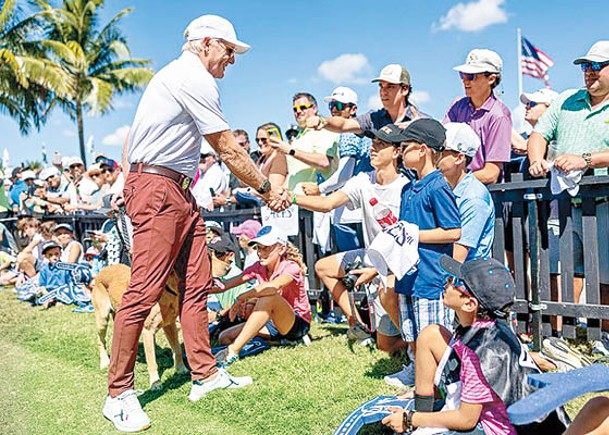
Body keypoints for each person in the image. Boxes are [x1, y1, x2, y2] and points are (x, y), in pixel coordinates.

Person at [103, 14, 289, 433]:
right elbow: (227, 148)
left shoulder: (181, 75)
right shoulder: (194, 77)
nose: (232, 59)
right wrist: (266, 189)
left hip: (175, 189)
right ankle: (118, 395)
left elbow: (135, 138)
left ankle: (204, 374)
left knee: (196, 282)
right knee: (144, 289)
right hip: (159, 188)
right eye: (228, 50)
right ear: (206, 44)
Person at [382, 256, 568, 435]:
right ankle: (423, 411)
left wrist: (411, 419)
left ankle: (416, 422)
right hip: (509, 413)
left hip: (497, 429)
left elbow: (466, 419)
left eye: (455, 281)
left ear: (470, 304)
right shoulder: (491, 328)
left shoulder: (479, 353)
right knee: (431, 334)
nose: (447, 282)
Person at [294, 124, 409, 352]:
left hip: (397, 265)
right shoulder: (362, 180)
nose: (374, 149)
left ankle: (415, 350)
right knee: (323, 267)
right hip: (371, 257)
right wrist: (291, 197)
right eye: (373, 143)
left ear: (397, 152)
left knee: (389, 345)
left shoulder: (406, 187)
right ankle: (357, 324)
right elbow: (327, 204)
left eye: (382, 144)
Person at [527, 40, 609, 352]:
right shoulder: (566, 100)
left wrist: (586, 159)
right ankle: (563, 337)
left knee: (605, 274)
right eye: (585, 66)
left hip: (603, 201)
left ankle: (604, 338)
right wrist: (536, 158)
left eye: (596, 66)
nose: (588, 73)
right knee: (564, 268)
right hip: (564, 200)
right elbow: (539, 134)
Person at [386, 119, 461, 388]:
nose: (400, 152)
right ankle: (417, 371)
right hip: (409, 275)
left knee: (433, 333)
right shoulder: (407, 188)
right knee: (412, 331)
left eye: (404, 146)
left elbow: (453, 231)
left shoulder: (438, 186)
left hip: (430, 277)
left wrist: (414, 235)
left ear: (423, 149)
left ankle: (442, 383)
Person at [213, 226, 311, 365]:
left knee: (268, 296)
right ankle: (279, 342)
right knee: (225, 337)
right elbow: (226, 284)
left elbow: (272, 287)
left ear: (281, 249)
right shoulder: (258, 267)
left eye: (266, 248)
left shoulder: (291, 266)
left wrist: (241, 298)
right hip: (273, 322)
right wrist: (199, 288)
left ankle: (233, 352)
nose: (260, 252)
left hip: (296, 323)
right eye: (258, 248)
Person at [301, 86, 373, 251]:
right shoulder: (364, 130)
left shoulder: (349, 133)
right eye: (331, 105)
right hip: (364, 206)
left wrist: (319, 189)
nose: (334, 110)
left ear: (353, 109)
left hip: (351, 210)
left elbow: (344, 175)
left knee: (353, 265)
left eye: (339, 106)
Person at [443, 49, 512, 184]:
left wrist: (449, 181)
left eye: (471, 76)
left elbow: (491, 174)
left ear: (491, 79)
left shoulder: (499, 116)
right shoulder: (457, 105)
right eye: (463, 75)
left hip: (484, 195)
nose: (465, 81)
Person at [305, 64, 425, 136]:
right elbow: (344, 124)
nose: (383, 92)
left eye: (390, 87)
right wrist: (323, 121)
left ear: (405, 89)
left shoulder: (421, 121)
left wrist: (421, 130)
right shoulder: (373, 118)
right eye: (381, 86)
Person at [439, 123, 495, 263]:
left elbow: (457, 259)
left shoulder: (474, 198)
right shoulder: (444, 188)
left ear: (459, 158)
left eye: (441, 150)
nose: (434, 155)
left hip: (464, 281)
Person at [269, 92, 339, 193]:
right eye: (295, 109)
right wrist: (282, 192)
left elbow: (324, 162)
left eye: (302, 107)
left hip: (316, 201)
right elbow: (294, 172)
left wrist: (291, 151)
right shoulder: (299, 136)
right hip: (297, 202)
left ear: (314, 108)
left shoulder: (323, 129)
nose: (298, 111)